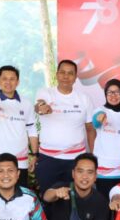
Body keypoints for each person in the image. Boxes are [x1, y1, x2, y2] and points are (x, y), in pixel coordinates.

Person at [35, 59, 96, 194]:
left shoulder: (84, 98)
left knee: (73, 200)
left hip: (75, 160)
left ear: (75, 77)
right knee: (48, 198)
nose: (65, 76)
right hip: (48, 159)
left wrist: (92, 155)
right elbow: (39, 105)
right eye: (62, 72)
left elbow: (90, 129)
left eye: (70, 73)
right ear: (57, 74)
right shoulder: (46, 93)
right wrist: (42, 107)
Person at [0, 65, 38, 188]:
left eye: (12, 79)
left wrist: (35, 155)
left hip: (20, 162)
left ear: (17, 82)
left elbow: (32, 130)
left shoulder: (26, 103)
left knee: (20, 195)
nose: (8, 82)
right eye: (4, 79)